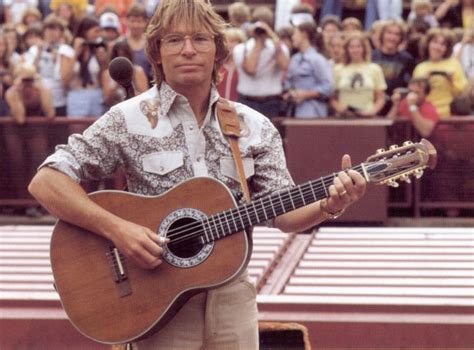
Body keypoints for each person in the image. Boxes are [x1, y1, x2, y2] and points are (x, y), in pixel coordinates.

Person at [28, 1, 367, 349]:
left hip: (233, 298)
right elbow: (46, 181)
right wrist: (118, 230)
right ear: (157, 52)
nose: (188, 49)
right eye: (174, 40)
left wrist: (329, 204)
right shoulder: (127, 119)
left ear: (218, 51)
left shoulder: (255, 127)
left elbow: (283, 213)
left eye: (200, 39)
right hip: (154, 301)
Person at [233, 6, 290, 118]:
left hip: (272, 103)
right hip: (247, 101)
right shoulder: (241, 49)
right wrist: (259, 42)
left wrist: (272, 36)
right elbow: (251, 69)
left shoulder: (279, 48)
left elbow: (284, 66)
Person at [413, 27, 468, 117]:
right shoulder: (420, 68)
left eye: (443, 44)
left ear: (447, 48)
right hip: (427, 113)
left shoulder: (454, 64)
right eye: (435, 42)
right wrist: (424, 82)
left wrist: (451, 81)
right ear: (428, 44)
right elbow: (416, 96)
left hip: (450, 113)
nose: (438, 47)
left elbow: (462, 93)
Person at [283, 20, 334, 118]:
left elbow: (329, 86)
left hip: (312, 110)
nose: (292, 37)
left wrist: (306, 94)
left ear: (304, 35)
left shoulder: (318, 59)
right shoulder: (295, 59)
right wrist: (290, 93)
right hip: (293, 110)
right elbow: (288, 81)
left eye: (295, 34)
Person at [330, 32, 387, 118]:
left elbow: (381, 98)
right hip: (344, 117)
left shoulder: (374, 69)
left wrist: (372, 111)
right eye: (351, 47)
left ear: (364, 48)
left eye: (358, 46)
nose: (355, 50)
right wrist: (339, 108)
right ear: (347, 49)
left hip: (368, 116)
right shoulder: (338, 69)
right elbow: (332, 97)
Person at [372, 19, 416, 114]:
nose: (392, 37)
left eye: (397, 34)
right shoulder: (371, 56)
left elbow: (412, 84)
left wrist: (403, 92)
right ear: (383, 35)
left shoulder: (407, 58)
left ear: (401, 38)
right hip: (372, 104)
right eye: (389, 33)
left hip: (396, 106)